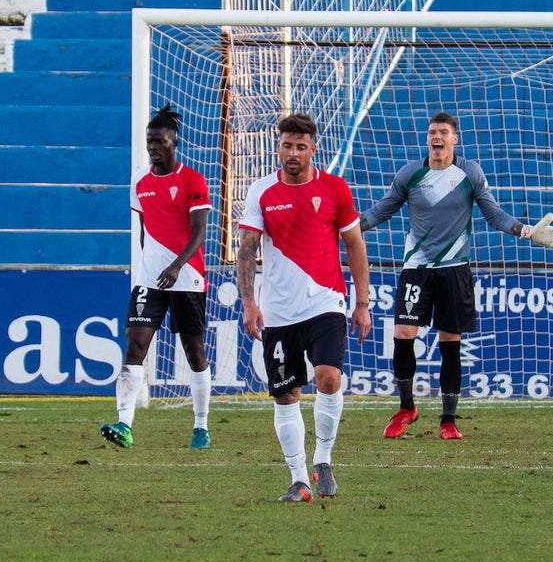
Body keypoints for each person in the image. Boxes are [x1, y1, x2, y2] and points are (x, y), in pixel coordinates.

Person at [360, 112, 553, 441]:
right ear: (427, 139)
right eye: (432, 132)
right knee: (402, 333)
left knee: (450, 343)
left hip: (455, 271)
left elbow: (494, 213)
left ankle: (448, 419)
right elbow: (380, 210)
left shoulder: (469, 173)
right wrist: (345, 227)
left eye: (443, 132)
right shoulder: (410, 174)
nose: (436, 137)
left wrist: (527, 231)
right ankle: (406, 408)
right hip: (417, 269)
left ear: (455, 139)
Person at [236, 113, 372, 503]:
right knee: (286, 395)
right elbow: (246, 250)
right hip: (278, 312)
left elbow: (355, 246)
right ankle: (299, 480)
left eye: (300, 146)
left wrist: (361, 304)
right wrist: (249, 302)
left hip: (326, 302)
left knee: (329, 377)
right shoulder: (261, 191)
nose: (292, 153)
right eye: (286, 145)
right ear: (277, 146)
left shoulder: (334, 189)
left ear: (314, 148)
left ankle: (323, 459)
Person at [101, 104, 213, 450]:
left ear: (173, 142)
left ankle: (200, 426)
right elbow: (143, 230)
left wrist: (177, 265)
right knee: (135, 344)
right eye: (149, 141)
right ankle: (125, 424)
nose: (153, 147)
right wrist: (145, 267)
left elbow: (199, 233)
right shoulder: (139, 180)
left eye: (159, 141)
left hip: (187, 276)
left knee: (193, 351)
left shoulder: (192, 180)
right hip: (150, 279)